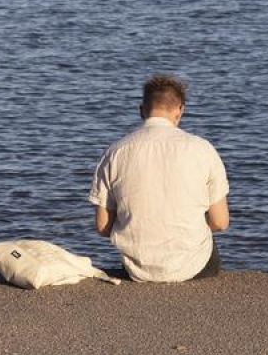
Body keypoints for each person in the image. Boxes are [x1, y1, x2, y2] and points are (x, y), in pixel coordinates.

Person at [89, 74, 229, 282]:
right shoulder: (203, 149)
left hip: (136, 268)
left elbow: (102, 227)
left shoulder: (115, 152)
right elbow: (220, 222)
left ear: (141, 110)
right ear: (180, 110)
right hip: (193, 266)